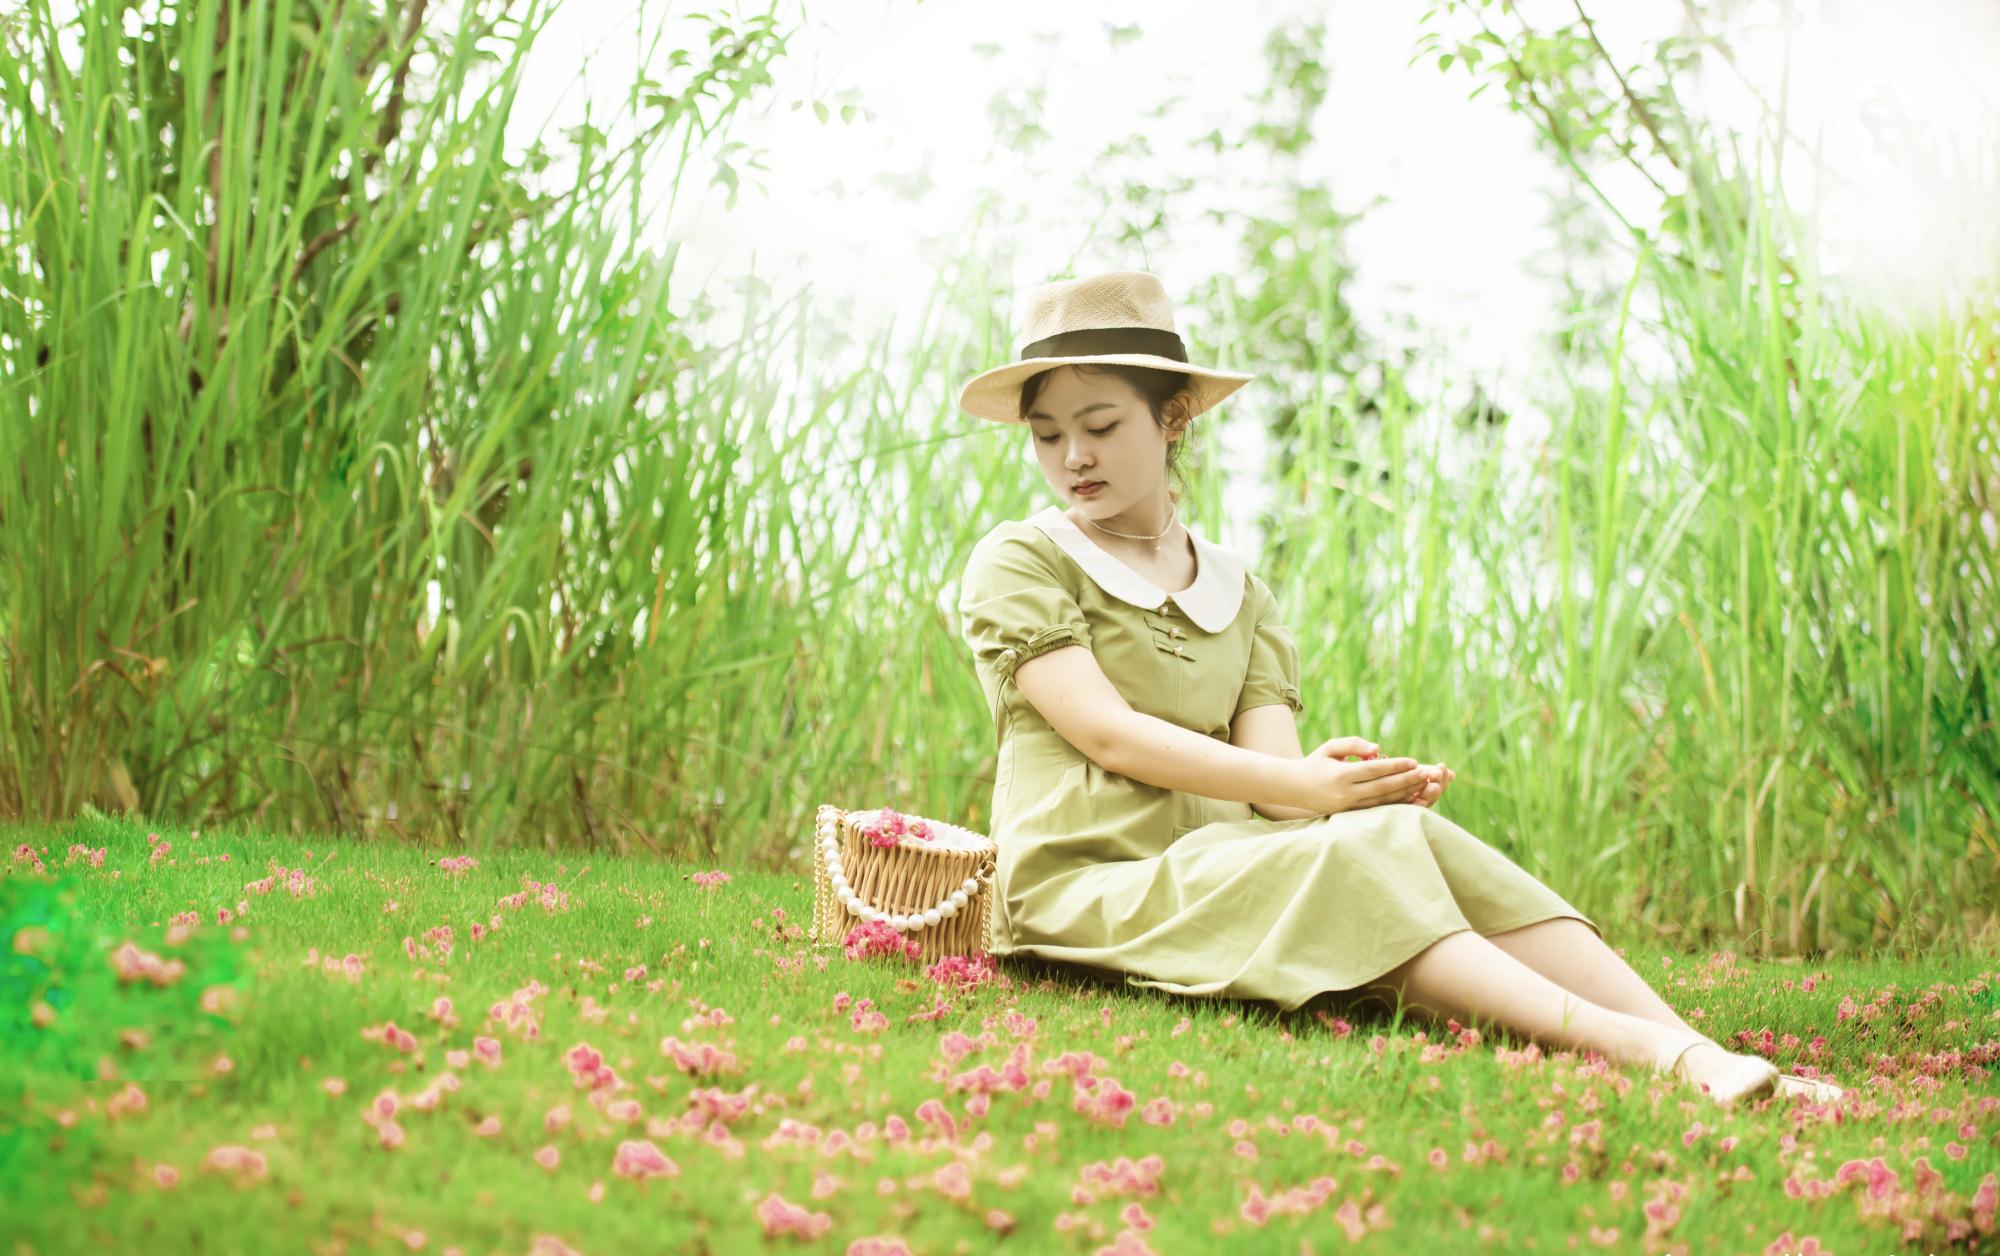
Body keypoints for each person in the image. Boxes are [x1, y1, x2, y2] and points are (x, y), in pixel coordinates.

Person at [953, 269, 1842, 1107]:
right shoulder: (1023, 559)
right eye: (1048, 434)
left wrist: (1340, 786)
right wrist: (1300, 791)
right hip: (1086, 886)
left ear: (1173, 416)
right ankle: (1654, 1055)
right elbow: (1108, 736)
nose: (1073, 456)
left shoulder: (1239, 589)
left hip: (1219, 869)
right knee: (1353, 858)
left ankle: (1703, 1046)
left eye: (1100, 426)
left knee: (1400, 831)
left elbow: (1279, 789)